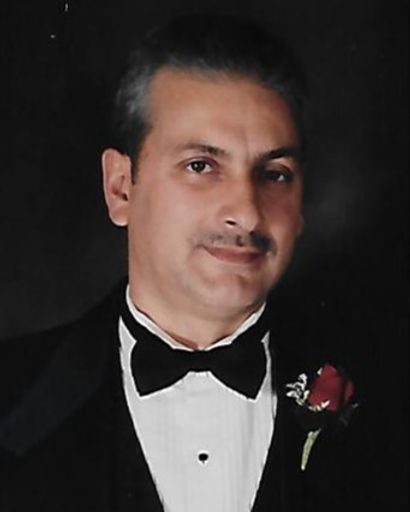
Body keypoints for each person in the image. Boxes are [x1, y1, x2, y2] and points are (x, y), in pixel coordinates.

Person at [0, 13, 386, 512]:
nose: (247, 212)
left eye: (274, 173)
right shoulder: (11, 393)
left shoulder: (389, 400)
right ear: (120, 188)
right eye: (201, 166)